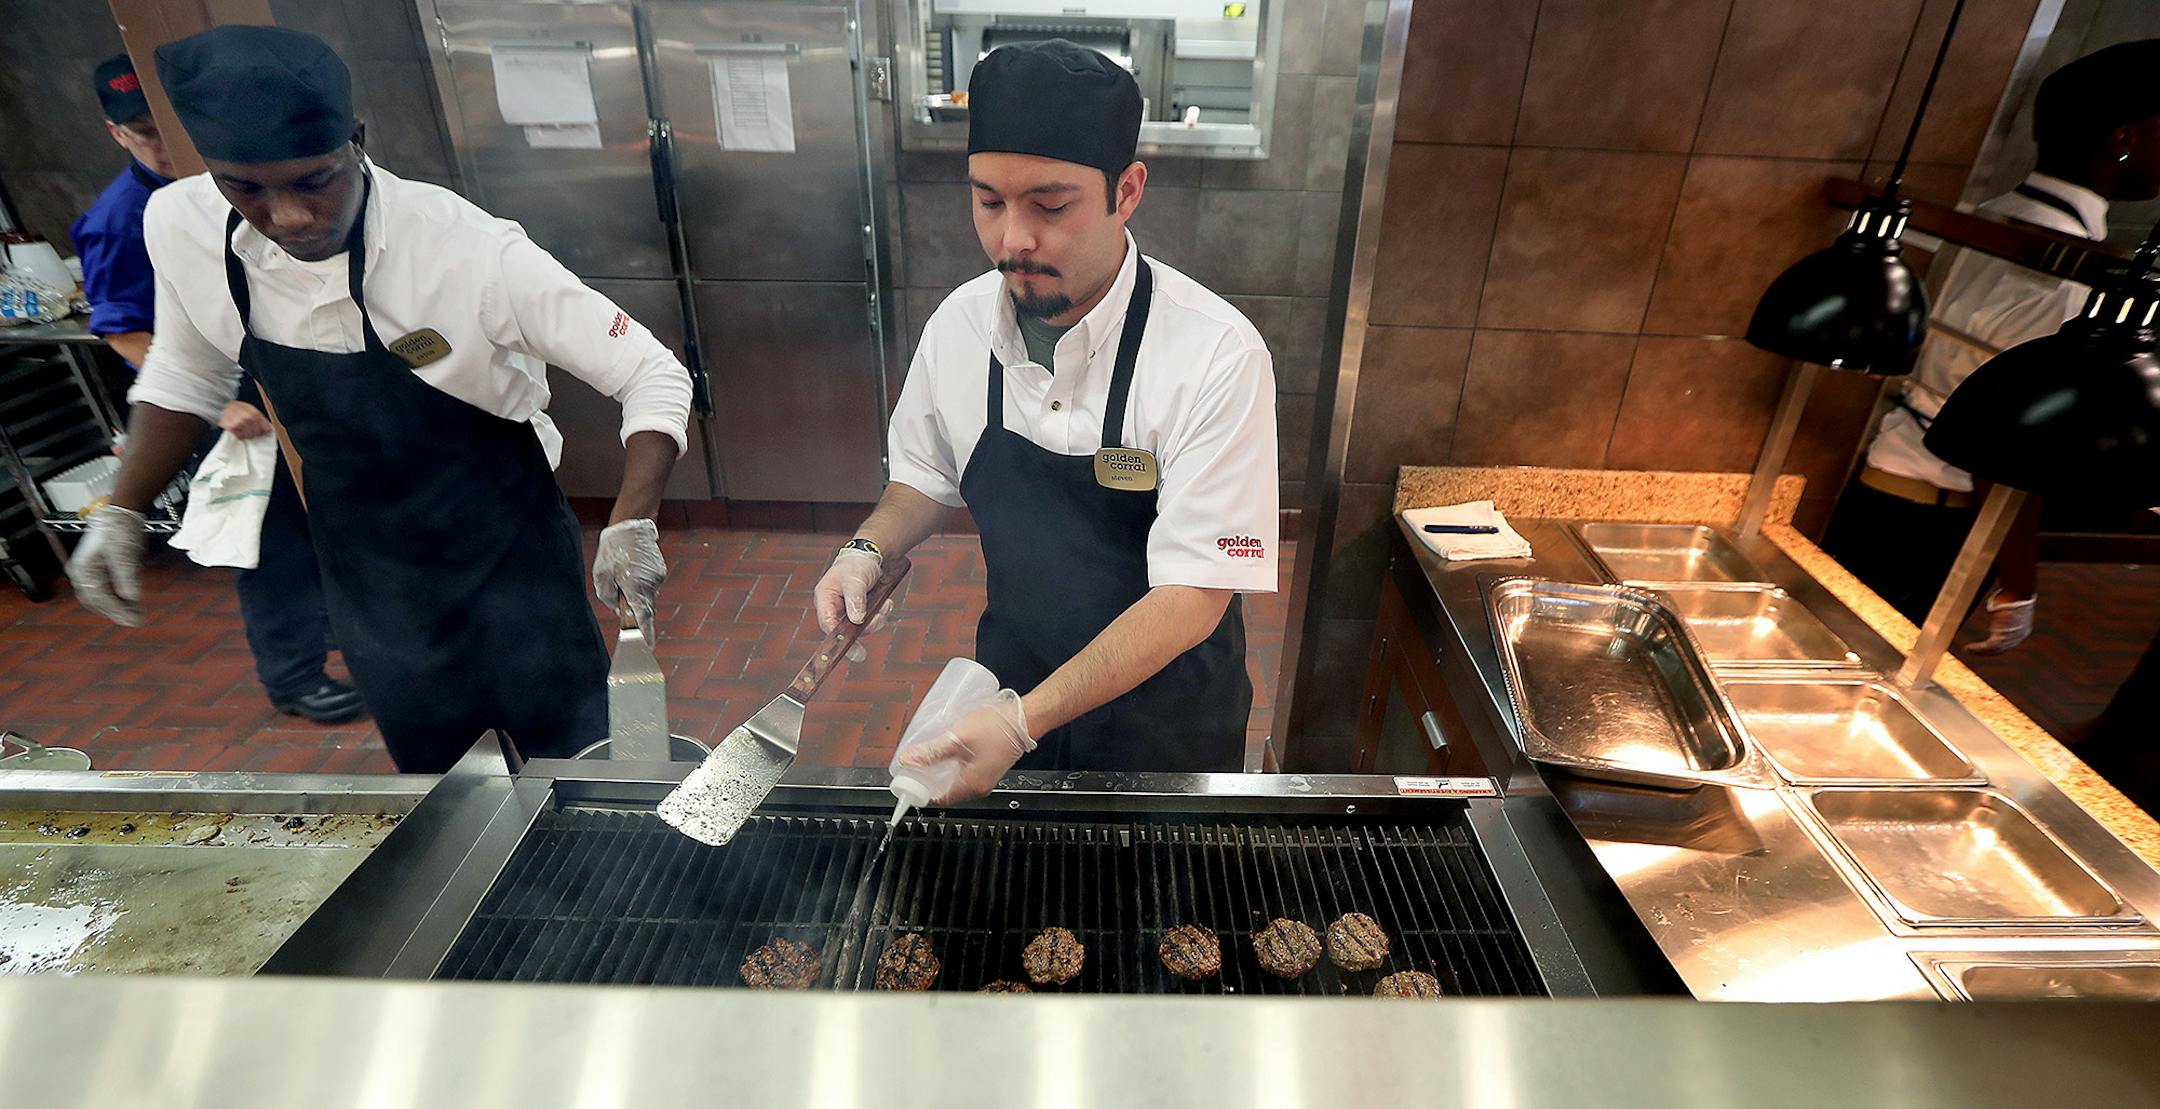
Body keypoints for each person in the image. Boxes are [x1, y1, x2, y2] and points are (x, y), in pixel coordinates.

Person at [65, 26, 692, 773]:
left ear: (357, 140)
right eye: (247, 189)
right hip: (369, 572)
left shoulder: (465, 248)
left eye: (314, 180)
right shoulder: (179, 224)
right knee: (444, 783)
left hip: (509, 552)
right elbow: (183, 372)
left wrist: (631, 520)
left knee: (579, 759)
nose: (289, 216)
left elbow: (651, 371)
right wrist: (125, 508)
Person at [814, 40, 1278, 803]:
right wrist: (865, 549)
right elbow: (925, 478)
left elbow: (1195, 595)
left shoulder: (1215, 355)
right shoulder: (961, 326)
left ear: (1127, 191)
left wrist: (1025, 721)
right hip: (1005, 690)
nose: (1012, 239)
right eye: (989, 201)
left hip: (1164, 729)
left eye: (1050, 206)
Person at [1822, 39, 2160, 652]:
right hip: (1928, 519)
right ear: (2125, 138)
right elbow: (2004, 454)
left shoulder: (1990, 218)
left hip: (1882, 489)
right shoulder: (2068, 275)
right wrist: (2019, 583)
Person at [71, 52, 362, 724]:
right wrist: (219, 399)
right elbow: (124, 332)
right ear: (117, 134)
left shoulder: (241, 187)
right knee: (269, 541)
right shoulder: (125, 217)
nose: (157, 143)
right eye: (140, 132)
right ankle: (294, 675)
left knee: (326, 524)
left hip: (282, 390)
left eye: (162, 126)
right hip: (215, 411)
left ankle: (345, 633)